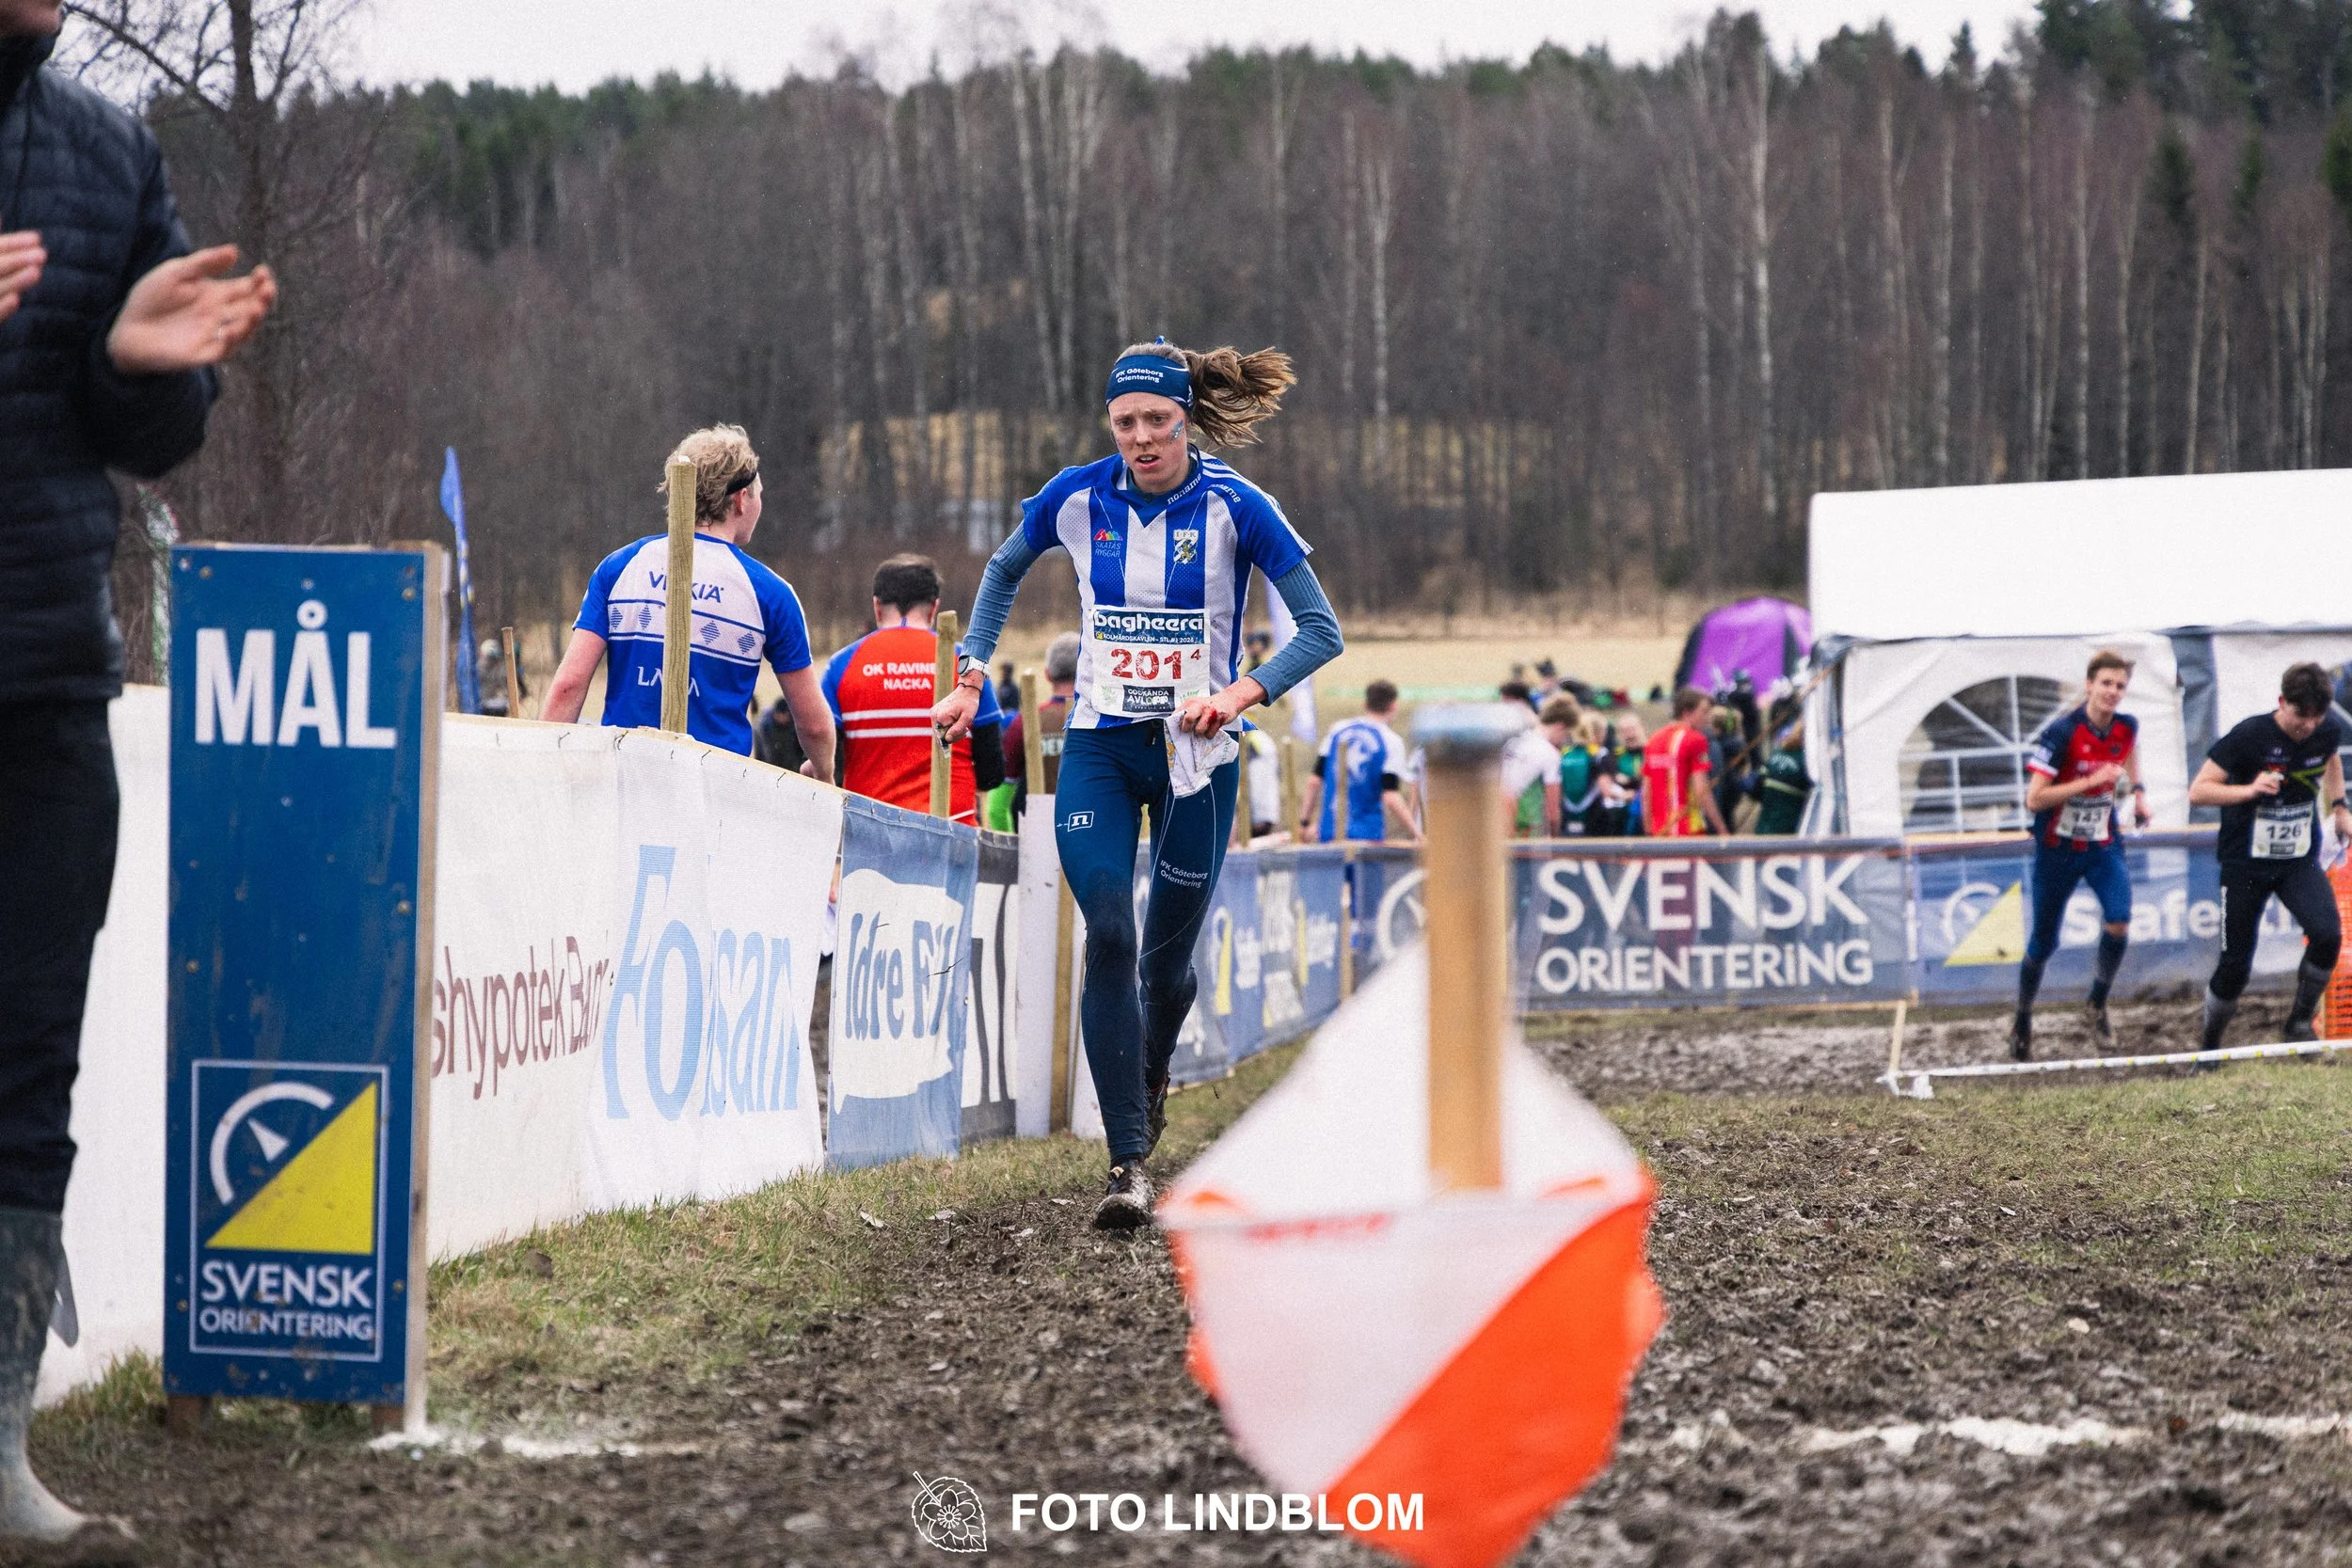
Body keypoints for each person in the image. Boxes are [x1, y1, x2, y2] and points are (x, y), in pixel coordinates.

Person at [2, 0, 277, 1546]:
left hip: (43, 675)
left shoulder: (109, 150)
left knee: (27, 1074)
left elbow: (149, 435)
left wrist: (143, 367)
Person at [931, 338, 1342, 1229]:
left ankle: (1152, 1072)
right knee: (1109, 930)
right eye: (1126, 423)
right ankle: (1127, 1163)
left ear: (1186, 419)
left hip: (1200, 760)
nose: (1142, 438)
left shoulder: (1238, 505)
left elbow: (1322, 629)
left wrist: (1237, 693)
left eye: (1158, 420)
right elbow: (1003, 569)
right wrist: (970, 674)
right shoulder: (1078, 496)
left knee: (1167, 970)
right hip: (1102, 751)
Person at [543, 426, 835, 775]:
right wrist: (824, 771)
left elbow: (567, 686)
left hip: (623, 783)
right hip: (718, 793)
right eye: (759, 495)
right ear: (741, 500)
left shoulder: (621, 568)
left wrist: (545, 767)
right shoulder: (770, 593)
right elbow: (815, 726)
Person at [2188, 661, 2352, 1052]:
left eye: (2316, 716)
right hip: (2245, 864)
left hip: (2296, 861)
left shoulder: (2326, 728)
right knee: (2236, 965)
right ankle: (2209, 1046)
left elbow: (2330, 758)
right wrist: (2247, 790)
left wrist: (2341, 806)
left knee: (2328, 936)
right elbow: (2199, 791)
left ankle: (2298, 1023)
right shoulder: (2249, 736)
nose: (2308, 726)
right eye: (2300, 716)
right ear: (2282, 702)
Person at [2008, 651, 2149, 1058]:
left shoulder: (2126, 727)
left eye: (2120, 686)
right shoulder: (2062, 733)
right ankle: (2022, 1016)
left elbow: (2129, 751)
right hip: (2057, 849)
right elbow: (2034, 800)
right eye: (2106, 683)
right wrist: (2088, 781)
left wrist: (2138, 794)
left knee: (2120, 919)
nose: (2113, 692)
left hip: (2103, 844)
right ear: (2089, 685)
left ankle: (2096, 1004)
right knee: (2043, 941)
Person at [821, 553, 1005, 826]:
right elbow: (992, 772)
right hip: (954, 830)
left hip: (870, 833)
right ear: (934, 608)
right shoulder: (968, 669)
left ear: (877, 606)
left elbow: (826, 763)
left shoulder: (841, 666)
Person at [1299, 678, 1415, 843]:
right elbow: (1390, 796)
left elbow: (1314, 781)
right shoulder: (1391, 741)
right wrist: (1416, 833)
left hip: (1329, 830)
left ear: (1365, 705)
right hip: (1367, 834)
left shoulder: (1338, 731)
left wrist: (1304, 822)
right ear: (1393, 707)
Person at [1002, 631, 1081, 820]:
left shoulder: (1025, 722)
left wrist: (1013, 846)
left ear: (1047, 674)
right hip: (1089, 834)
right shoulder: (1103, 723)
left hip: (1037, 836)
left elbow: (997, 807)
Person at [1643, 689, 1729, 837]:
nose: (1708, 719)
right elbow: (1702, 790)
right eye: (1704, 712)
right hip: (1688, 829)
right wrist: (1721, 829)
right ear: (1686, 712)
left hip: (1659, 829)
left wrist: (1648, 827)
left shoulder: (1653, 739)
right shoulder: (1695, 739)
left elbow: (1646, 790)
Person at [1499, 694, 1579, 838]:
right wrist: (1554, 837)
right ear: (1559, 727)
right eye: (1566, 734)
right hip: (1522, 825)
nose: (1564, 740)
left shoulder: (1517, 740)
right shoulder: (1550, 754)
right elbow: (1552, 810)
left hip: (1497, 818)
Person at [1751, 720, 1813, 835]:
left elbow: (1756, 790)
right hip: (1789, 832)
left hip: (1763, 829)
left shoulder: (1775, 754)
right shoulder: (1808, 763)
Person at [1558, 713, 1614, 836]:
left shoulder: (1565, 753)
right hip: (1595, 815)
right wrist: (1627, 796)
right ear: (1599, 733)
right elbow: (1606, 790)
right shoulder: (1600, 754)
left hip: (1567, 815)